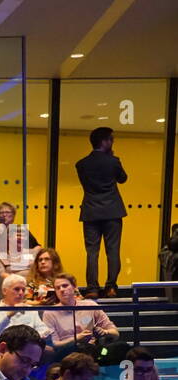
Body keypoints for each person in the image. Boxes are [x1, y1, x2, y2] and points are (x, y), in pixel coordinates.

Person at [76, 126, 127, 298]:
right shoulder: (113, 161)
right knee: (112, 251)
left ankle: (92, 288)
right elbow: (123, 179)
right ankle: (111, 287)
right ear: (105, 141)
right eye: (111, 139)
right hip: (112, 210)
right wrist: (112, 159)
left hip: (90, 210)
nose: (112, 142)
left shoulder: (82, 164)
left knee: (92, 252)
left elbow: (85, 184)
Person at [42, 275, 125, 364]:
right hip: (66, 354)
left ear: (74, 287)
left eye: (65, 286)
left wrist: (104, 332)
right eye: (58, 288)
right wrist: (76, 339)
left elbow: (115, 333)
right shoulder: (50, 313)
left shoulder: (89, 305)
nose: (61, 290)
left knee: (121, 347)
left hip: (92, 351)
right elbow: (53, 345)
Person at [0, 276, 53, 348]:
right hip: (4, 348)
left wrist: (40, 336)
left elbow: (42, 330)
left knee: (48, 349)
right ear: (5, 291)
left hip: (28, 346)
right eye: (17, 289)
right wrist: (8, 315)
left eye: (23, 290)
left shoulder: (30, 310)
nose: (21, 293)